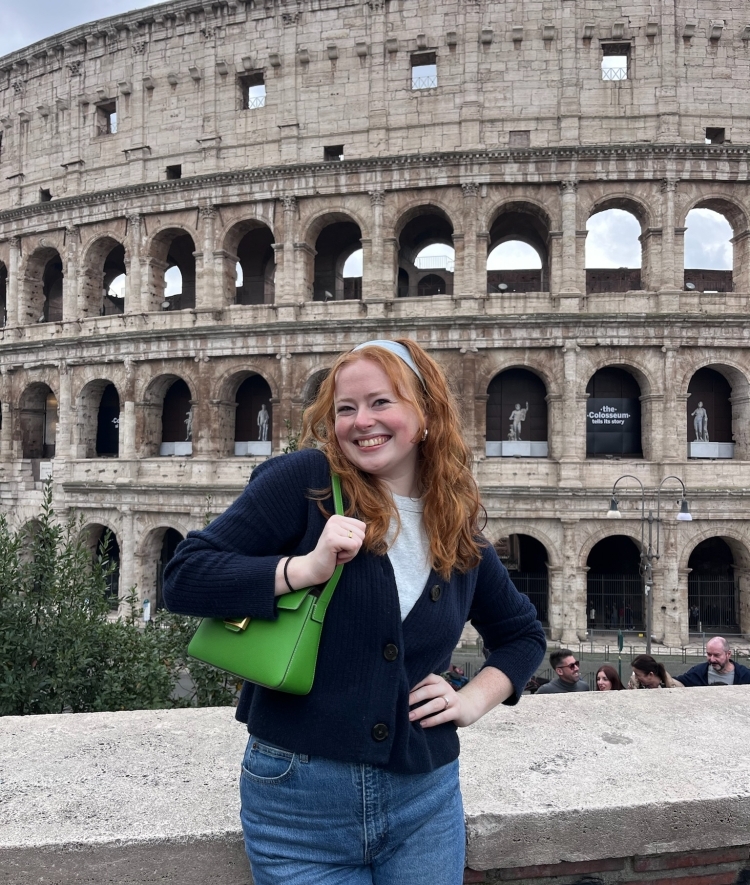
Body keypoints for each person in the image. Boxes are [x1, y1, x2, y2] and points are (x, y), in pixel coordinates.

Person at [163, 338, 546, 885]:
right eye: (346, 408)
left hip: (425, 799)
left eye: (381, 402)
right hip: (297, 802)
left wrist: (470, 700)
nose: (361, 421)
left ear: (427, 413)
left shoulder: (455, 528)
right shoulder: (307, 482)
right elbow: (184, 576)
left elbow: (522, 634)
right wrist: (303, 569)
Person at [675, 636, 750, 686]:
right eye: (709, 654)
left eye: (716, 655)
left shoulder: (745, 675)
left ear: (728, 654)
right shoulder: (698, 672)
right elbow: (678, 683)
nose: (712, 659)